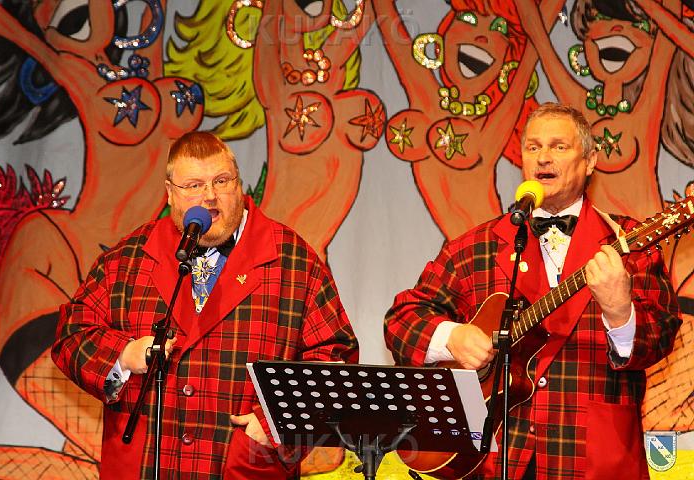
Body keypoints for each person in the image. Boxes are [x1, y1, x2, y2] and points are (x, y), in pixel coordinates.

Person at [385, 103, 682, 479]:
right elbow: (402, 319)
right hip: (499, 458)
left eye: (559, 146)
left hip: (593, 455)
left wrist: (620, 312)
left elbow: (662, 338)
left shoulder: (627, 242)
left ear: (590, 160)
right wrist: (452, 338)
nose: (543, 157)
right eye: (533, 147)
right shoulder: (477, 246)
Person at [51, 131, 359, 479]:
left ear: (239, 185)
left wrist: (278, 418)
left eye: (221, 181)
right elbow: (71, 336)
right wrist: (123, 355)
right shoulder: (129, 258)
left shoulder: (291, 259)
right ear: (170, 193)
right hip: (146, 466)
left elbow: (334, 358)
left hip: (243, 468)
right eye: (193, 185)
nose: (210, 196)